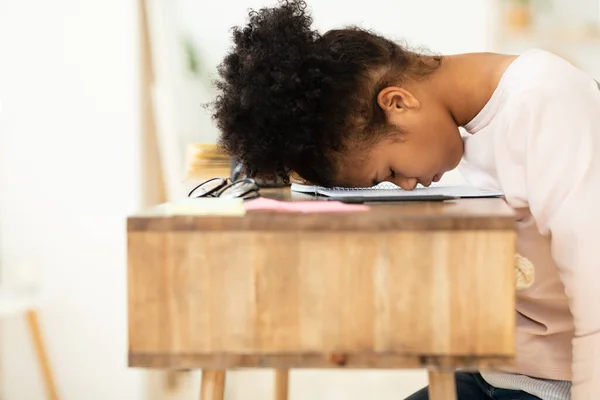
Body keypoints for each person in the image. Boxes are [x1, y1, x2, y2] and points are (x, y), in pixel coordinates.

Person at [210, 1, 600, 399]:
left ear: (397, 103)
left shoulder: (547, 102)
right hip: (497, 374)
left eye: (390, 173)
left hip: (561, 384)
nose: (408, 186)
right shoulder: (466, 132)